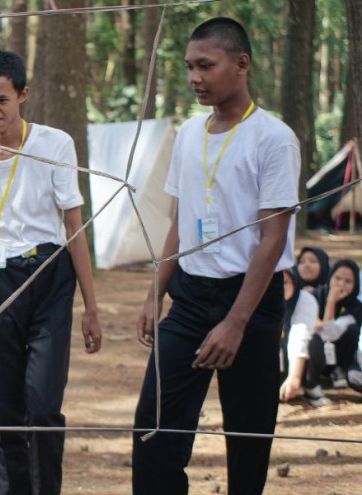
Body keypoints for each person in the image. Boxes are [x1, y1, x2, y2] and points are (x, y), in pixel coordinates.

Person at [133, 17, 299, 495]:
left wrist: (236, 322)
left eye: (206, 66)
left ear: (241, 64)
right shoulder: (188, 132)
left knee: (248, 434)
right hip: (189, 298)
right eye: (190, 67)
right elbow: (180, 222)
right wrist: (155, 294)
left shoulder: (274, 138)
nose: (194, 77)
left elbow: (272, 238)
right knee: (154, 426)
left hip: (250, 299)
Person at [0, 48, 103, 495]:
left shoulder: (54, 145)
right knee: (6, 412)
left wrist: (91, 308)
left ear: (23, 95)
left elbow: (74, 228)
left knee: (44, 407)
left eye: (1, 99)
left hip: (50, 276)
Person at [306, 259, 362, 394]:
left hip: (337, 354)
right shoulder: (316, 295)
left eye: (348, 281)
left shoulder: (355, 307)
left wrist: (331, 301)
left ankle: (339, 370)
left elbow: (328, 334)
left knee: (352, 330)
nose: (341, 284)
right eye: (337, 278)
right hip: (314, 354)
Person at [278, 269, 323, 406]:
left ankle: (309, 385)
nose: (280, 288)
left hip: (297, 361)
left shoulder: (304, 300)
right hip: (274, 359)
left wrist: (295, 377)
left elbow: (300, 334)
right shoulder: (260, 300)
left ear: (294, 282)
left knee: (313, 342)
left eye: (285, 283)